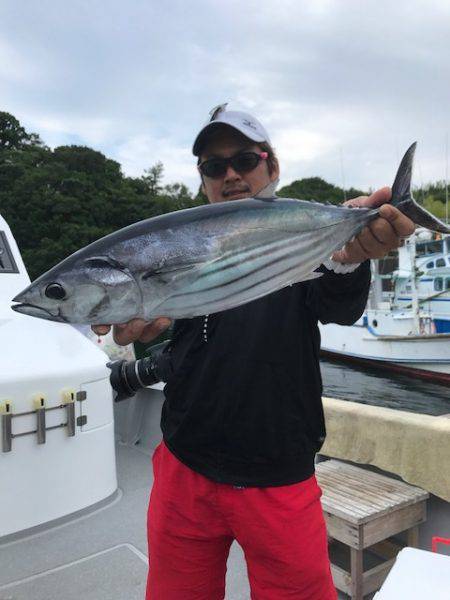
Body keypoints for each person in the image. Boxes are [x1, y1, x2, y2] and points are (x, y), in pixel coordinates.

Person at [94, 104, 415, 599]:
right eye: (214, 166)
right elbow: (184, 337)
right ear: (203, 179)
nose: (231, 175)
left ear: (272, 167)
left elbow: (339, 305)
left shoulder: (298, 233)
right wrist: (136, 328)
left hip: (277, 475)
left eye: (245, 159)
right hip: (183, 465)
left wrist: (350, 256)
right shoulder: (180, 241)